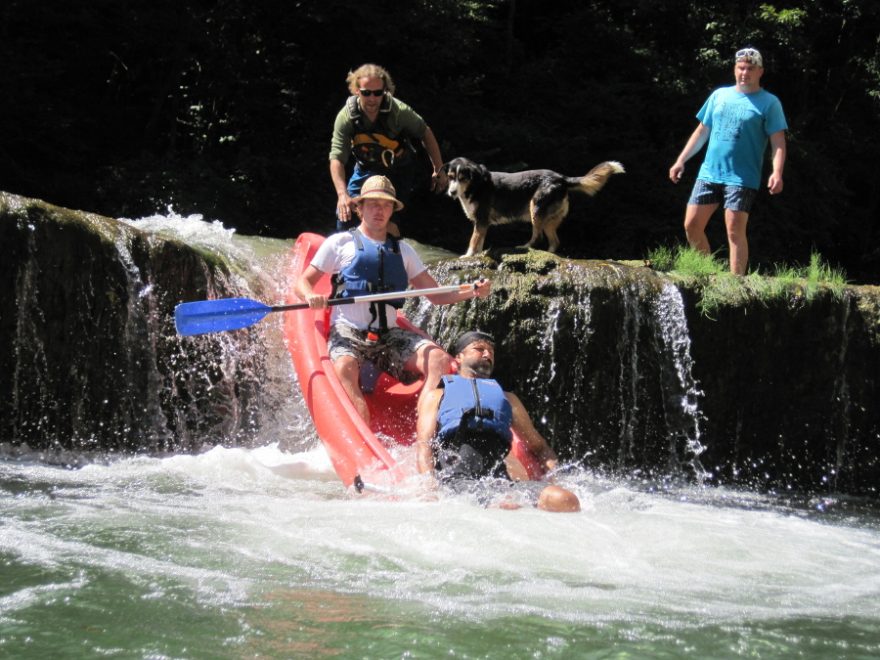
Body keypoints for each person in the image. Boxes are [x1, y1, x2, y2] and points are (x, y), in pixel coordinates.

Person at [295, 175, 490, 427]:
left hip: (388, 334)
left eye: (386, 205)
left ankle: (425, 427)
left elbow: (437, 295)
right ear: (360, 207)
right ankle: (361, 434)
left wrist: (473, 291)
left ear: (392, 210)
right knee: (344, 366)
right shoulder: (340, 243)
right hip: (348, 331)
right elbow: (303, 283)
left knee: (439, 360)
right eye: (373, 203)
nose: (380, 210)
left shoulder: (404, 251)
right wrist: (311, 296)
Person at [415, 331, 581, 513]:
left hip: (500, 481)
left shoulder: (507, 399)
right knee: (501, 506)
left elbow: (540, 447)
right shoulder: (437, 395)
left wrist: (556, 478)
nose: (487, 354)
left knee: (566, 500)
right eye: (479, 349)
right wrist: (429, 488)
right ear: (459, 358)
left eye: (491, 352)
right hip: (456, 479)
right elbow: (424, 444)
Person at [669, 47, 788, 275]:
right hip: (709, 173)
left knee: (734, 230)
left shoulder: (769, 103)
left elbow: (779, 142)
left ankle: (735, 286)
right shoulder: (719, 96)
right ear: (735, 69)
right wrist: (681, 160)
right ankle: (709, 274)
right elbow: (702, 131)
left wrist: (777, 172)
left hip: (742, 177)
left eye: (750, 69)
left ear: (760, 71)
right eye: (741, 68)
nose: (745, 73)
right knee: (691, 225)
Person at [329, 63, 448, 235]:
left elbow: (425, 132)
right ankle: (345, 254)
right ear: (357, 91)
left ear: (385, 91)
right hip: (365, 168)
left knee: (387, 219)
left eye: (378, 93)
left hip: (398, 170)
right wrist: (342, 195)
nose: (372, 98)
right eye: (366, 93)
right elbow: (337, 158)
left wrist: (438, 169)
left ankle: (391, 254)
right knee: (345, 213)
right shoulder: (346, 117)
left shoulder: (398, 111)